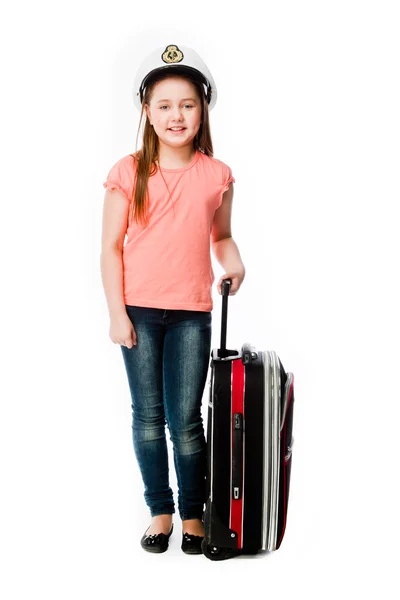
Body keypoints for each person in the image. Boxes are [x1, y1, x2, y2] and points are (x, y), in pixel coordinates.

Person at [100, 43, 245, 555]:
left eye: (187, 104)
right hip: (138, 311)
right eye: (164, 105)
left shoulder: (216, 174)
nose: (176, 115)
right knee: (147, 416)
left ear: (202, 108)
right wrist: (117, 314)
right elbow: (110, 248)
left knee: (185, 420)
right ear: (146, 110)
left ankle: (193, 513)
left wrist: (234, 264)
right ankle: (159, 509)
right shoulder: (128, 171)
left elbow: (220, 237)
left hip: (190, 314)